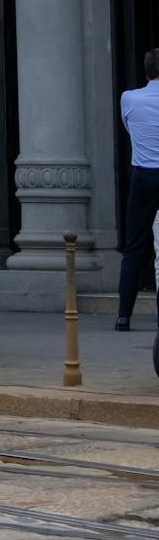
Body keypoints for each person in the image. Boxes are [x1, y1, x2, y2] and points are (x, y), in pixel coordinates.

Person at [116, 49, 159, 331]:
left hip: (143, 177)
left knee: (133, 248)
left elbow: (129, 128)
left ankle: (123, 316)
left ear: (146, 72)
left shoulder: (129, 98)